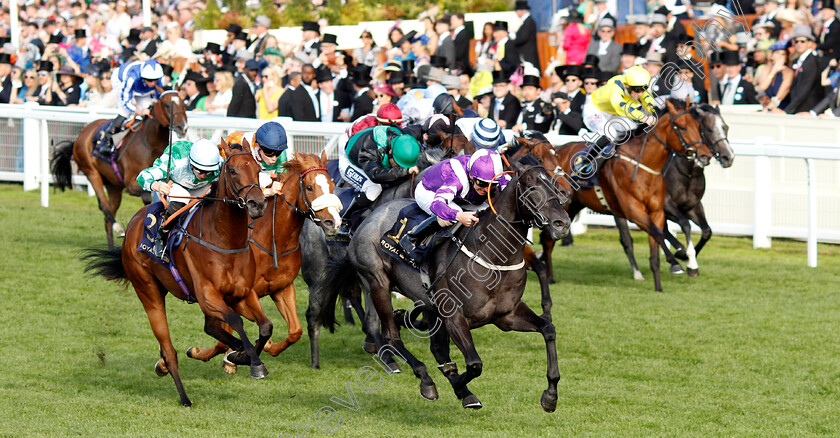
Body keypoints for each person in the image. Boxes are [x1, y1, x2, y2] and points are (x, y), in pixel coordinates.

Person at [399, 148, 510, 253]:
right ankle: (411, 239)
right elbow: (437, 205)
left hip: (461, 196)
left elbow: (513, 187)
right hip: (429, 191)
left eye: (492, 185)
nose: (486, 189)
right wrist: (459, 216)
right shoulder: (457, 180)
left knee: (487, 212)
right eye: (482, 183)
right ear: (471, 175)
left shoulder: (493, 174)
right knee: (455, 214)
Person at [136, 139, 222, 262]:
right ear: (191, 164)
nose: (203, 175)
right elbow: (142, 176)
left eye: (208, 172)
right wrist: (157, 186)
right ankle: (161, 238)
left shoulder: (218, 164)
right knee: (182, 198)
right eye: (200, 171)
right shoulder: (175, 162)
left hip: (202, 187)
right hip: (176, 184)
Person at [574, 65, 658, 176]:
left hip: (612, 112)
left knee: (632, 127)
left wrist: (654, 114)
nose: (641, 93)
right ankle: (586, 161)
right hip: (594, 109)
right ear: (627, 85)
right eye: (637, 90)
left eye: (643, 89)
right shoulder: (615, 86)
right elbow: (620, 105)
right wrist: (644, 117)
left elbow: (648, 100)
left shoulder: (637, 86)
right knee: (611, 133)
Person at [338, 125, 421, 234]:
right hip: (351, 162)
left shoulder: (404, 142)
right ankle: (345, 221)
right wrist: (405, 171)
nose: (399, 167)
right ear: (390, 152)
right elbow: (375, 175)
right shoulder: (369, 149)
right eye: (397, 164)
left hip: (375, 157)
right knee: (373, 189)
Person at [103, 59, 163, 152]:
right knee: (125, 112)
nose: (153, 83)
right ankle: (107, 141)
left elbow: (157, 98)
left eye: (155, 80)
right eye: (150, 80)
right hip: (120, 80)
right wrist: (139, 111)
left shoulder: (158, 80)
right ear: (143, 77)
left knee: (148, 108)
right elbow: (125, 101)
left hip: (140, 86)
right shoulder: (132, 78)